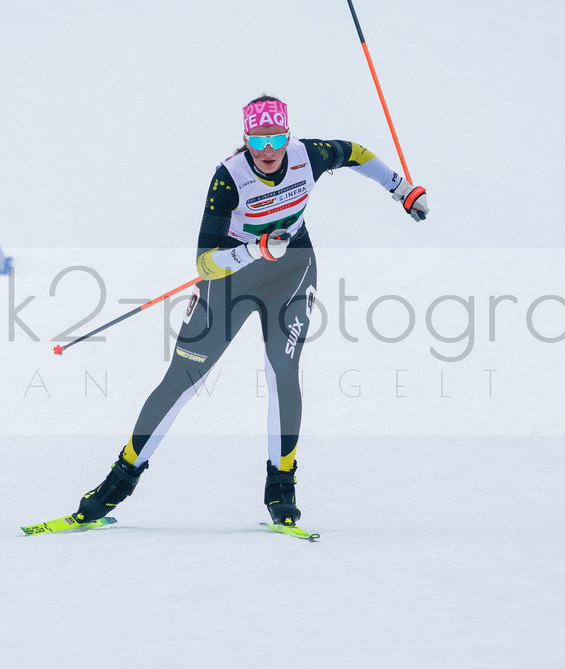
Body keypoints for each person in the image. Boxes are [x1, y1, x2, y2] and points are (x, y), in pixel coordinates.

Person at [72, 94, 428, 528]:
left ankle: (281, 488)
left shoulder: (308, 155)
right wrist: (254, 249)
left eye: (275, 138)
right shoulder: (229, 178)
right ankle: (117, 484)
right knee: (182, 379)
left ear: (287, 135)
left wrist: (401, 190)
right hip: (229, 280)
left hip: (292, 272)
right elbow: (204, 263)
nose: (267, 150)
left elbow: (353, 153)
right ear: (245, 140)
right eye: (257, 140)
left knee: (283, 369)